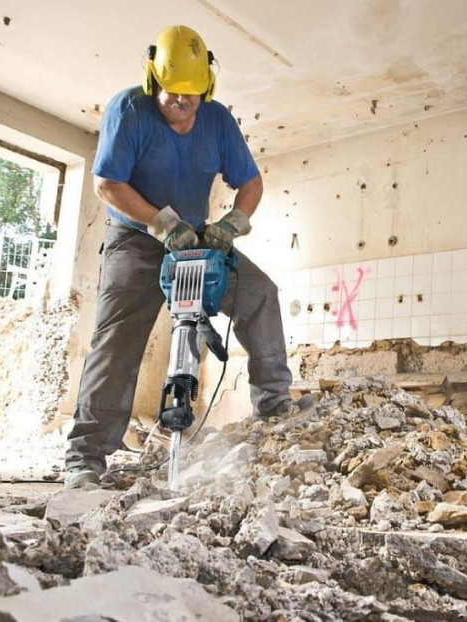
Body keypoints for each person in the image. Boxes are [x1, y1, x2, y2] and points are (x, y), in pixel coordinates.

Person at [64, 25, 309, 490]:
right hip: (136, 236)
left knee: (259, 293)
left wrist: (230, 225)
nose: (181, 101)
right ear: (153, 79)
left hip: (198, 239)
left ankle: (274, 405)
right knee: (117, 340)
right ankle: (85, 458)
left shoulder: (217, 121)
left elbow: (251, 183)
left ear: (207, 87)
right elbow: (108, 184)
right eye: (172, 91)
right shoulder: (129, 110)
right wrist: (161, 223)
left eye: (191, 93)